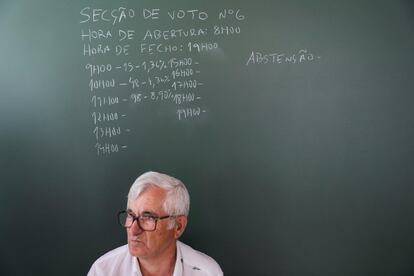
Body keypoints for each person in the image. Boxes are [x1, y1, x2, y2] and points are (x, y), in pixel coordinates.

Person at [87, 171, 223, 276]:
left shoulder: (206, 272)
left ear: (178, 226)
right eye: (131, 215)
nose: (133, 230)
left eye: (148, 218)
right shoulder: (103, 271)